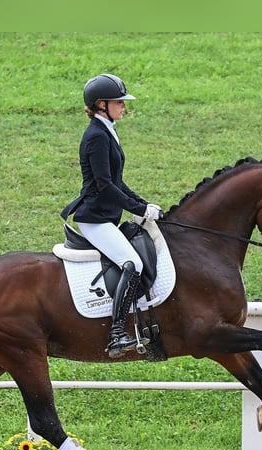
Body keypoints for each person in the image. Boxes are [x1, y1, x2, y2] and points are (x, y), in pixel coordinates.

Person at [61, 73, 163, 358]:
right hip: (94, 217)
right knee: (132, 264)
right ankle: (117, 333)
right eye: (119, 102)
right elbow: (105, 185)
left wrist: (144, 204)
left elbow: (117, 181)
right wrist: (139, 209)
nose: (124, 107)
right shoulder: (95, 136)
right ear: (101, 104)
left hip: (106, 215)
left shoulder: (106, 130)